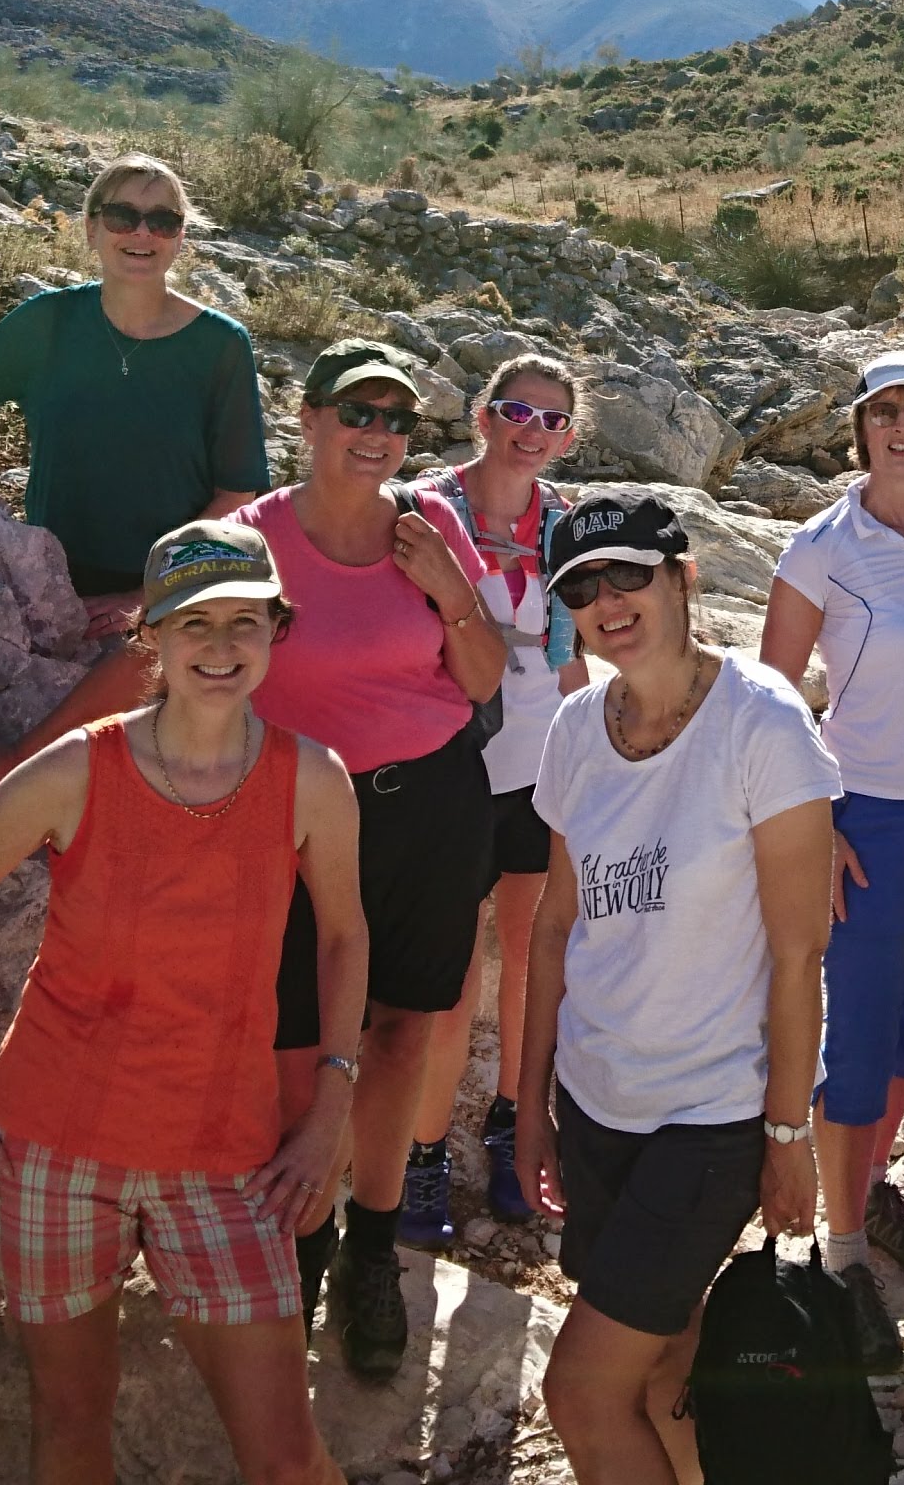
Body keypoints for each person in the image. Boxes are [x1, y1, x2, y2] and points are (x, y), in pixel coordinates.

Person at [0, 520, 366, 1485]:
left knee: (285, 1455)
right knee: (71, 1428)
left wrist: (331, 1107)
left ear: (280, 631)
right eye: (194, 624)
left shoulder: (312, 780)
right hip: (53, 1151)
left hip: (227, 1152)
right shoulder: (76, 769)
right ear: (150, 638)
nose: (222, 647)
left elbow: (345, 938)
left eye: (247, 622)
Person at [515, 495, 836, 1485]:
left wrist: (788, 1140)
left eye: (627, 575)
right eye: (581, 586)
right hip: (600, 1099)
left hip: (711, 1117)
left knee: (580, 1390)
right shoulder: (574, 728)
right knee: (659, 1370)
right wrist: (527, 1106)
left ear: (683, 578)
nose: (607, 601)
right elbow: (557, 925)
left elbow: (797, 957)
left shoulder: (764, 724)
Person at [231, 340, 508, 1378]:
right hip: (302, 819)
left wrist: (448, 587)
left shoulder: (428, 525)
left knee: (402, 1035)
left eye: (396, 417)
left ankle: (371, 1250)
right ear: (306, 419)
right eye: (357, 411)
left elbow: (484, 680)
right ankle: (300, 1246)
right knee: (298, 1048)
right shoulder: (250, 537)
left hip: (432, 806)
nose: (378, 432)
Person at [759, 351, 904, 1366]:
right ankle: (840, 1254)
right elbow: (769, 698)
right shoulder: (821, 546)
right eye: (883, 412)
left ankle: (863, 1186)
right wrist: (823, 823)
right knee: (854, 1044)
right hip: (871, 821)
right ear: (859, 429)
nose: (901, 427)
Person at [0, 155, 271, 793]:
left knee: (125, 784)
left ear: (182, 236)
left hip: (166, 600)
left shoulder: (220, 346)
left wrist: (149, 597)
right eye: (123, 215)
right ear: (91, 228)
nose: (142, 234)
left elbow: (237, 491)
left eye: (163, 220)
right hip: (47, 586)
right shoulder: (50, 322)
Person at [397, 353, 591, 1247]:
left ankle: (514, 1121)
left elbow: (575, 654)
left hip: (543, 768)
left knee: (530, 958)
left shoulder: (564, 525)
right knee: (449, 979)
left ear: (571, 436)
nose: (534, 431)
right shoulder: (428, 510)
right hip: (451, 769)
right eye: (518, 411)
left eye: (553, 420)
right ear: (483, 415)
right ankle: (422, 1154)